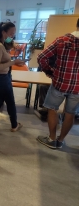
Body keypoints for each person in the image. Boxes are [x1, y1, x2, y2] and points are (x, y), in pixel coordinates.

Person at [36, 18, 79, 149]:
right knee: (70, 113)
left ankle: (52, 138)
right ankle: (60, 141)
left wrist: (50, 71)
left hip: (59, 83)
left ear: (77, 24)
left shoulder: (61, 40)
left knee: (52, 110)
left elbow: (42, 57)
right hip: (77, 87)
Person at [0, 22, 25, 132]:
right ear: (3, 32)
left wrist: (13, 61)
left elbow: (7, 47)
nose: (13, 36)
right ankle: (14, 125)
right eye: (11, 33)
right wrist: (13, 62)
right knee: (10, 102)